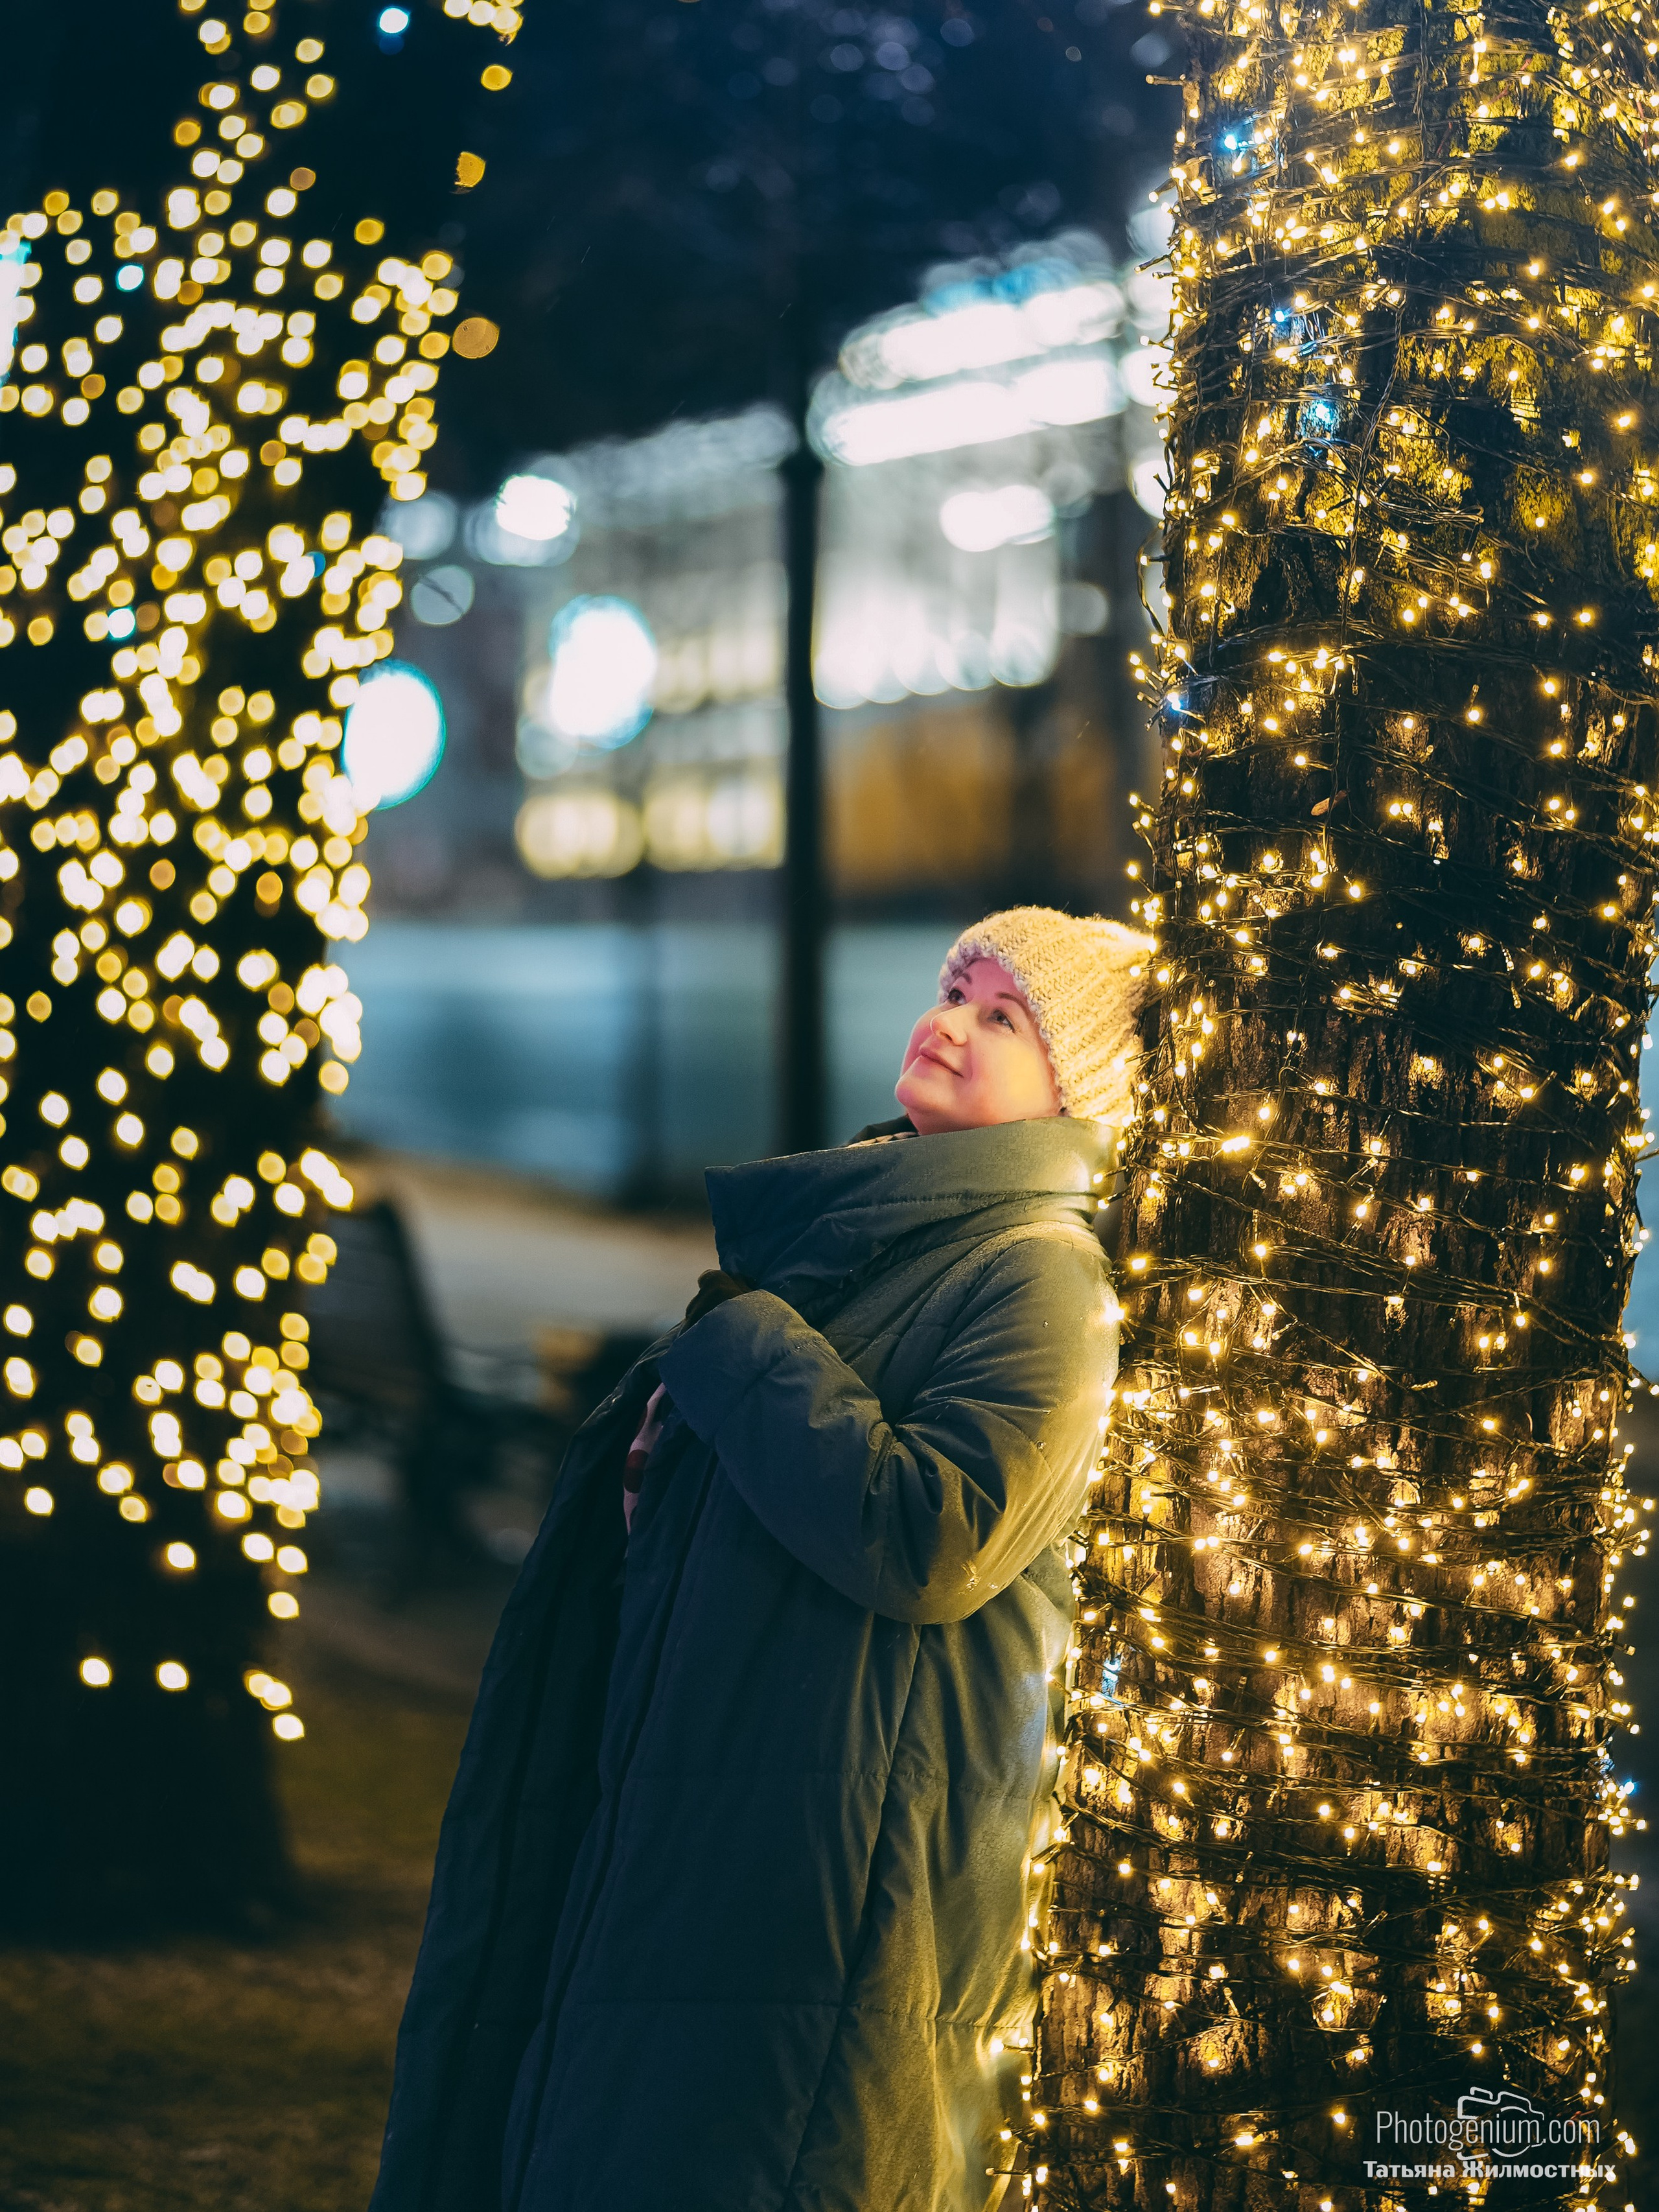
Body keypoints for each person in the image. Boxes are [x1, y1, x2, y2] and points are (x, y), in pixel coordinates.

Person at [369, 906, 1149, 2212]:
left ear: (1079, 1083)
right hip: (748, 1797)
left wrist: (745, 1347)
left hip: (833, 1855)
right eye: (952, 987)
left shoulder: (1039, 1276)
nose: (946, 1022)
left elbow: (936, 1532)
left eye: (1001, 1017)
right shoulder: (899, 1242)